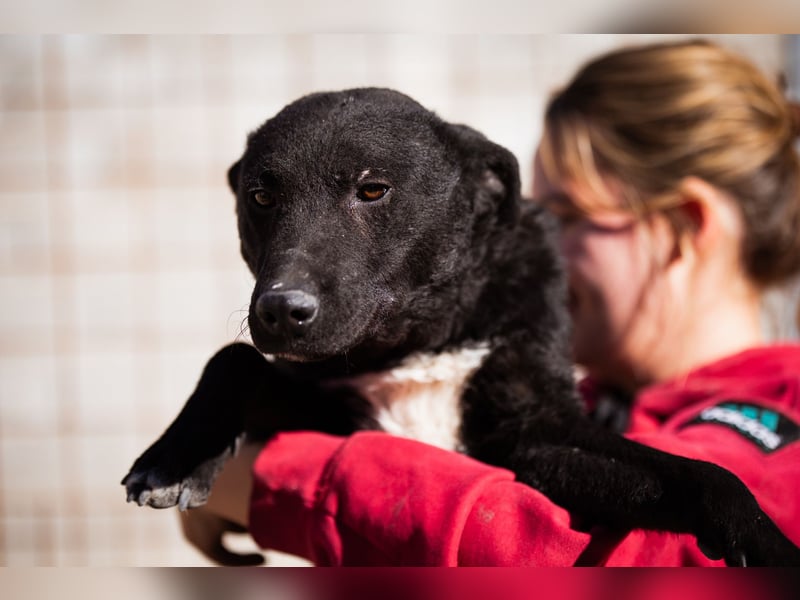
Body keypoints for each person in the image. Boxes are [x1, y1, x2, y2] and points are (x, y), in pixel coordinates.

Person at [180, 39, 800, 566]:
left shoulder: (778, 424)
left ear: (687, 230)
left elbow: (564, 553)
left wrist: (264, 481)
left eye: (563, 212)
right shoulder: (586, 403)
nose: (523, 235)